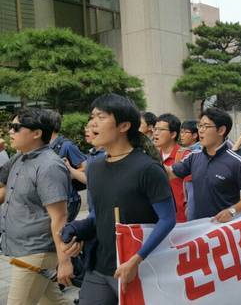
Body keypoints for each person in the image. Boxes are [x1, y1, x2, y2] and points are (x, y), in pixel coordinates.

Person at [64, 94, 177, 305]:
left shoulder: (148, 169)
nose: (92, 122)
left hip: (137, 269)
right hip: (98, 267)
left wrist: (137, 259)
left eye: (101, 116)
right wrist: (78, 230)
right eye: (92, 117)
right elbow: (99, 215)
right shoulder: (94, 167)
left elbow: (168, 219)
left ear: (124, 125)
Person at [0, 108, 73, 305]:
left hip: (37, 250)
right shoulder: (19, 158)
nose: (10, 132)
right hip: (21, 248)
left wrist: (64, 261)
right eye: (10, 127)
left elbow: (60, 217)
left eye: (15, 127)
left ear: (37, 133)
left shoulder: (49, 166)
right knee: (53, 302)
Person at [168, 107, 241, 222]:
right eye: (200, 126)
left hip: (224, 230)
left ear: (221, 130)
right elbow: (170, 173)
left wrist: (232, 211)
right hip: (200, 228)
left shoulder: (236, 162)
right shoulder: (194, 156)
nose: (201, 130)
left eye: (206, 126)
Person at [48, 110, 87, 222]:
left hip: (68, 200)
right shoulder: (43, 146)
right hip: (51, 199)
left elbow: (85, 167)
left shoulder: (67, 146)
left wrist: (69, 173)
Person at [154, 113, 190, 223]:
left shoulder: (186, 156)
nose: (156, 133)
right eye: (155, 129)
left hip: (180, 220)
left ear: (173, 134)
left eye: (161, 130)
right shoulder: (151, 156)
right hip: (157, 218)